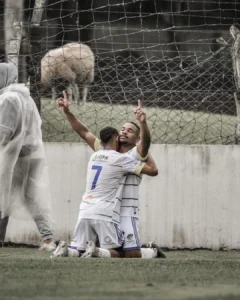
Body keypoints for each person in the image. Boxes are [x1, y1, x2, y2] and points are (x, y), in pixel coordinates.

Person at [55, 91, 165, 259]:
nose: (124, 132)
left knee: (131, 254)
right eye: (122, 129)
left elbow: (146, 143)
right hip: (109, 211)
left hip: (126, 211)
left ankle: (152, 251)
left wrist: (142, 123)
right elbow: (84, 132)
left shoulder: (136, 153)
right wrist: (68, 112)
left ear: (137, 139)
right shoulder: (107, 151)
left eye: (130, 130)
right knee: (116, 251)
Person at [0, 63, 55, 251]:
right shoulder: (25, 97)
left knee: (3, 195)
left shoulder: (8, 98)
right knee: (32, 197)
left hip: (15, 156)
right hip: (32, 154)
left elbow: (3, 131)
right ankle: (48, 237)